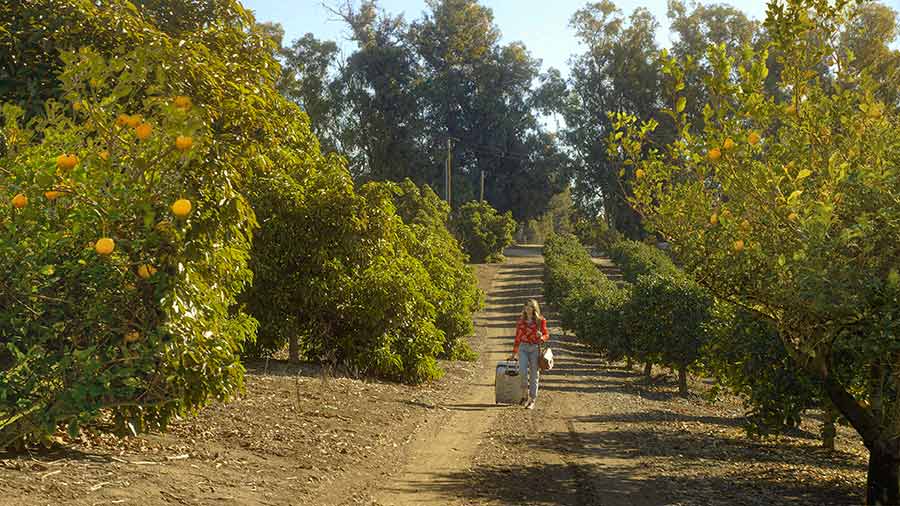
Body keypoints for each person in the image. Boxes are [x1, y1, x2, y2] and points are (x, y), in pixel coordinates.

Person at [510, 299, 549, 409]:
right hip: (523, 347)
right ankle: (524, 395)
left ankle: (532, 400)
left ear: (534, 308)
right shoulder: (521, 321)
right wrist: (514, 353)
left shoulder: (540, 321)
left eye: (530, 306)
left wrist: (541, 336)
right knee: (522, 372)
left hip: (534, 348)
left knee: (533, 375)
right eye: (526, 306)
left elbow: (546, 335)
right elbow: (517, 338)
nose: (528, 308)